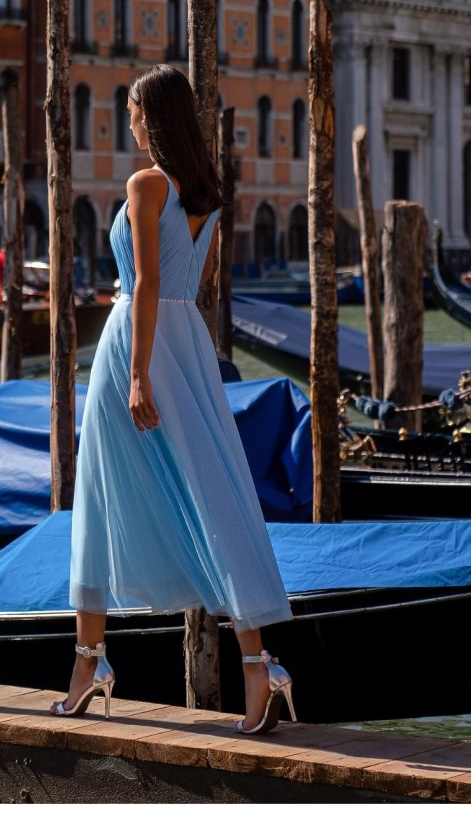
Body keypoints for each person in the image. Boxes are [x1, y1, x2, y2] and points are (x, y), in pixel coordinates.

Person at [49, 65, 296, 735]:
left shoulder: (144, 183)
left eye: (132, 109)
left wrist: (135, 372)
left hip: (138, 341)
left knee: (97, 499)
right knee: (214, 495)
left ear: (149, 115)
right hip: (185, 343)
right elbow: (192, 284)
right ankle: (260, 665)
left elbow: (149, 280)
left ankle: (89, 661)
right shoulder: (209, 194)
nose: (127, 119)